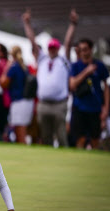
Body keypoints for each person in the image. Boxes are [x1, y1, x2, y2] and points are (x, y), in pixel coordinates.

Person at [22, 8, 79, 147]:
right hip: (43, 103)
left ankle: (64, 158)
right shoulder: (42, 59)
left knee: (60, 134)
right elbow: (32, 42)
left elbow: (68, 41)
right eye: (50, 48)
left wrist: (73, 25)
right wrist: (27, 24)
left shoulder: (64, 60)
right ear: (48, 49)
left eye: (54, 47)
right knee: (45, 135)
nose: (52, 50)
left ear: (58, 48)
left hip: (59, 104)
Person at [69, 38, 110, 149]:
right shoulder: (76, 66)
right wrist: (86, 72)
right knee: (80, 138)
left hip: (95, 108)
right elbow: (72, 85)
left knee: (95, 139)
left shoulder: (99, 66)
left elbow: (106, 87)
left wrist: (106, 107)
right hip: (79, 107)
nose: (83, 52)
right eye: (81, 50)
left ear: (91, 50)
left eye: (85, 49)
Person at [1, 46, 34, 144]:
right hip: (26, 102)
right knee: (21, 127)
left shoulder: (14, 67)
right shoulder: (24, 66)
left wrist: (7, 68)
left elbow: (3, 83)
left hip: (19, 102)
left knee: (20, 129)